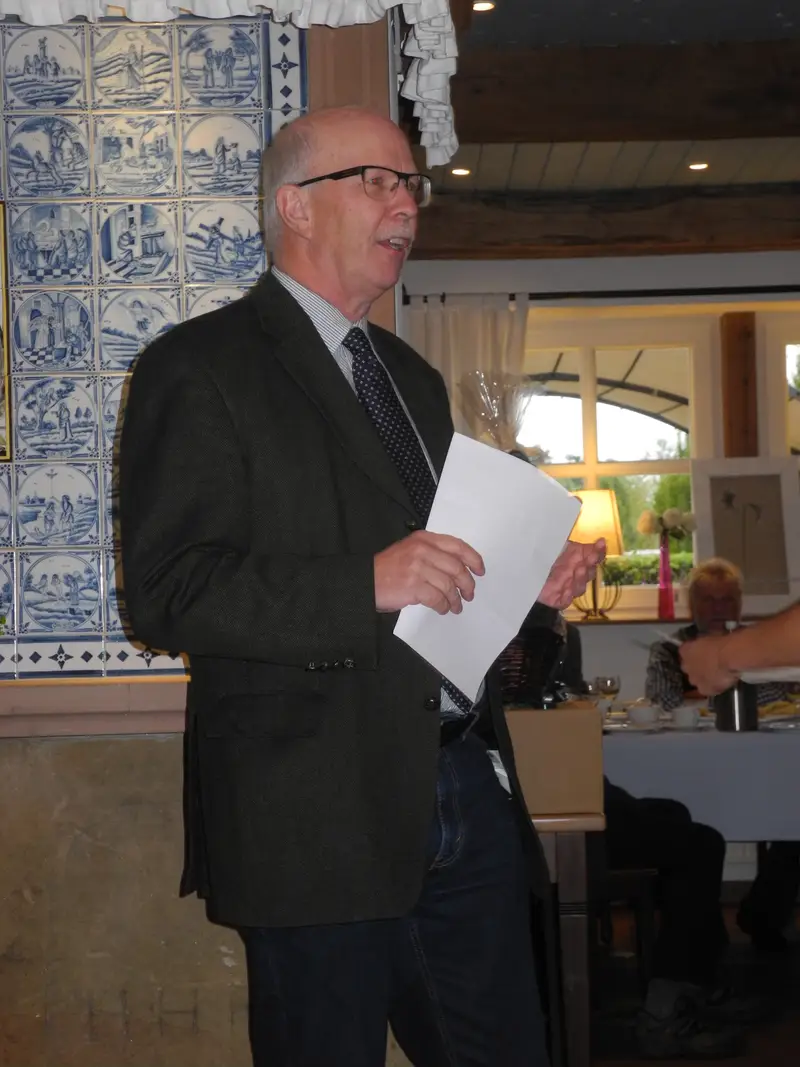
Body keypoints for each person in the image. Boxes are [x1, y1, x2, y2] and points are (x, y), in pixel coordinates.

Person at [118, 105, 604, 1067]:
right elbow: (167, 591)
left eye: (410, 185)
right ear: (294, 206)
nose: (407, 205)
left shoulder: (412, 378)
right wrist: (361, 583)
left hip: (462, 787)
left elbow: (434, 581)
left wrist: (524, 585)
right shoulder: (198, 365)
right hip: (312, 816)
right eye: (377, 181)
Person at [501, 617, 750, 1059]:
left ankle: (699, 981)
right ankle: (667, 1011)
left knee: (675, 815)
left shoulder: (551, 631)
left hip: (566, 782)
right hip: (547, 804)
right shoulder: (531, 637)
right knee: (701, 844)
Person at [649, 558, 800, 950]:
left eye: (727, 599)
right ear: (692, 604)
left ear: (740, 604)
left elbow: (779, 697)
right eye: (709, 600)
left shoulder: (759, 646)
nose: (719, 608)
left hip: (764, 762)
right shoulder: (669, 648)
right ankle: (699, 927)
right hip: (692, 763)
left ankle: (764, 913)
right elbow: (663, 702)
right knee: (681, 816)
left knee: (793, 811)